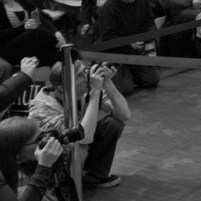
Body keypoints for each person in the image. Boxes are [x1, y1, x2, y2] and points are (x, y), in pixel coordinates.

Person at [29, 61, 130, 189]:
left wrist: (107, 82)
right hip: (42, 159)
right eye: (80, 75)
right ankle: (62, 184)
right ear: (62, 87)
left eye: (85, 71)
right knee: (80, 147)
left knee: (112, 124)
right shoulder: (44, 107)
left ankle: (93, 176)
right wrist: (95, 94)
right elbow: (84, 137)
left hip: (70, 144)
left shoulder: (82, 91)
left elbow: (125, 115)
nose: (87, 76)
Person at [96, 0, 160, 97]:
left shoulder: (142, 0)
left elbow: (149, 22)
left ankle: (131, 73)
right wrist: (129, 45)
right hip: (116, 53)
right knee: (125, 89)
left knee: (152, 81)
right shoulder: (109, 8)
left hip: (138, 50)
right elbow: (108, 38)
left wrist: (148, 38)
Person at [0, 0, 64, 67]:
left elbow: (43, 20)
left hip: (30, 45)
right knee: (36, 32)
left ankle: (74, 71)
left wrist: (56, 32)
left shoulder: (24, 3)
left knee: (56, 55)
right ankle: (60, 45)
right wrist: (23, 28)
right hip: (8, 49)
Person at [0, 117, 63, 201]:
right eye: (39, 139)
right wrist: (44, 166)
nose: (45, 142)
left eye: (43, 134)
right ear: (16, 152)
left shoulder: (3, 164)